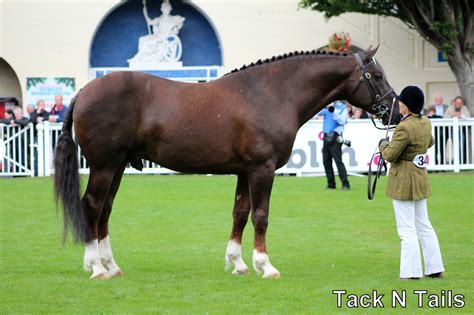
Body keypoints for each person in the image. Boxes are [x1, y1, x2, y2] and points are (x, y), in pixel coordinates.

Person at [379, 86, 444, 280]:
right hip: (420, 177)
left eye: (401, 101)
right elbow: (430, 142)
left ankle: (411, 272)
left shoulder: (404, 127)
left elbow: (390, 154)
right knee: (424, 225)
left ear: (406, 106)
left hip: (404, 179)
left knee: (406, 229)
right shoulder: (425, 122)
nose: (398, 103)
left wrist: (383, 143)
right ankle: (435, 268)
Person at [319, 100, 350, 190]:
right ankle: (331, 184)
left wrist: (333, 111)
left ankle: (345, 184)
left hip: (336, 136)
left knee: (338, 161)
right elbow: (318, 113)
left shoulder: (342, 108)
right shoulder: (326, 105)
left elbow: (342, 121)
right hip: (326, 135)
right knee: (326, 161)